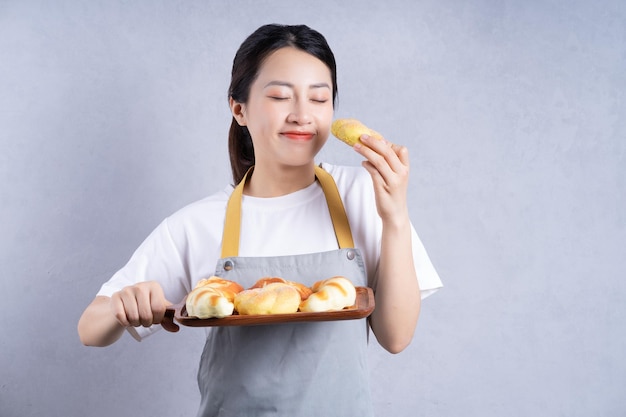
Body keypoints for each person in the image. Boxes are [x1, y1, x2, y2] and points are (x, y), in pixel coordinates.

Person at [78, 23, 442, 416]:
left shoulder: (365, 194)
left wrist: (396, 218)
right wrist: (121, 306)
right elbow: (89, 328)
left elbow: (396, 337)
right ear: (239, 108)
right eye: (280, 96)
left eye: (319, 99)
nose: (302, 115)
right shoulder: (199, 222)